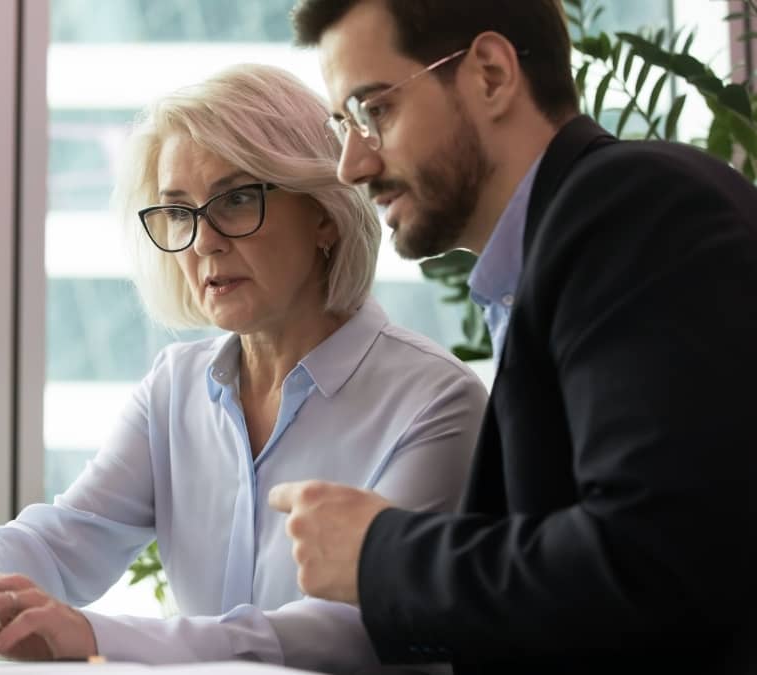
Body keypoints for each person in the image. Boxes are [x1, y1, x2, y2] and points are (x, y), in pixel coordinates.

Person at [0, 63, 487, 673]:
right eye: (178, 211)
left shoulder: (435, 402)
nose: (202, 241)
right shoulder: (176, 387)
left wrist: (95, 636)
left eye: (234, 200)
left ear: (324, 214)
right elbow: (69, 540)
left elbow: (355, 628)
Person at [268, 1, 757, 673]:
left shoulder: (633, 210)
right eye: (344, 124)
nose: (352, 164)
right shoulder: (559, 252)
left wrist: (379, 554)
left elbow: (651, 564)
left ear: (492, 75)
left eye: (373, 110)